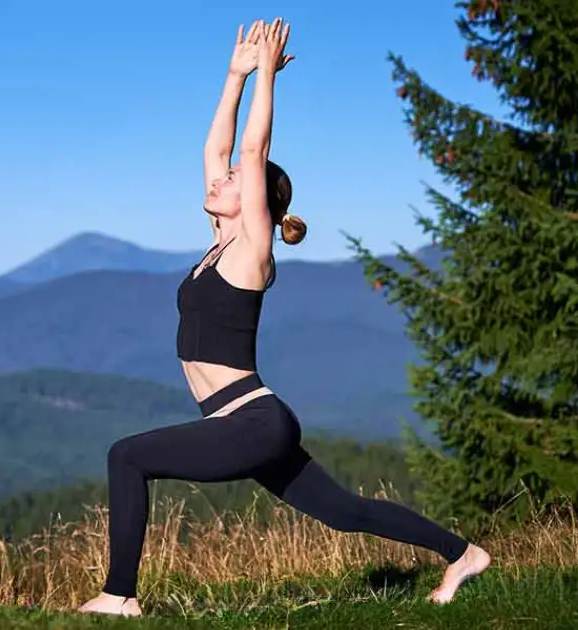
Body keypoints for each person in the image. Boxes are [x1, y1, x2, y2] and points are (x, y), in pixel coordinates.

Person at [78, 18, 490, 617]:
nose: (220, 178)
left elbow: (251, 153)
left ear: (255, 201)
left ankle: (119, 596)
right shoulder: (218, 245)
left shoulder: (252, 252)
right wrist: (235, 75)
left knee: (127, 455)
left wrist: (267, 76)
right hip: (246, 421)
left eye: (233, 182)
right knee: (345, 511)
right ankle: (463, 553)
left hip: (251, 422)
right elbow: (217, 151)